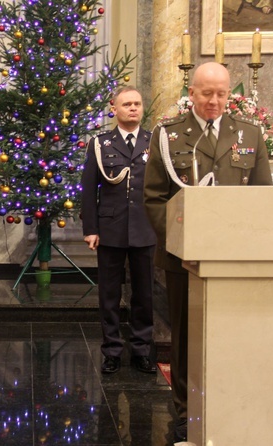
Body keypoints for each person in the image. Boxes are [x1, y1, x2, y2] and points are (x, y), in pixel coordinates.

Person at [143, 62, 273, 443]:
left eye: (221, 94)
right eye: (207, 93)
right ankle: (187, 410)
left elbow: (263, 197)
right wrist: (185, 245)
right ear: (192, 93)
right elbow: (153, 198)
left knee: (232, 333)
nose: (214, 101)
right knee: (187, 336)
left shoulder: (248, 134)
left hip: (236, 260)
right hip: (186, 260)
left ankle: (228, 403)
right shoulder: (167, 136)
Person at [81, 86, 157, 375]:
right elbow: (88, 190)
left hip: (145, 228)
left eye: (137, 103)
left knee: (144, 295)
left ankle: (141, 350)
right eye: (127, 104)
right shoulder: (100, 144)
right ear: (114, 109)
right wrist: (91, 228)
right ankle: (112, 350)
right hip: (110, 229)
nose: (133, 108)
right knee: (109, 295)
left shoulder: (154, 142)